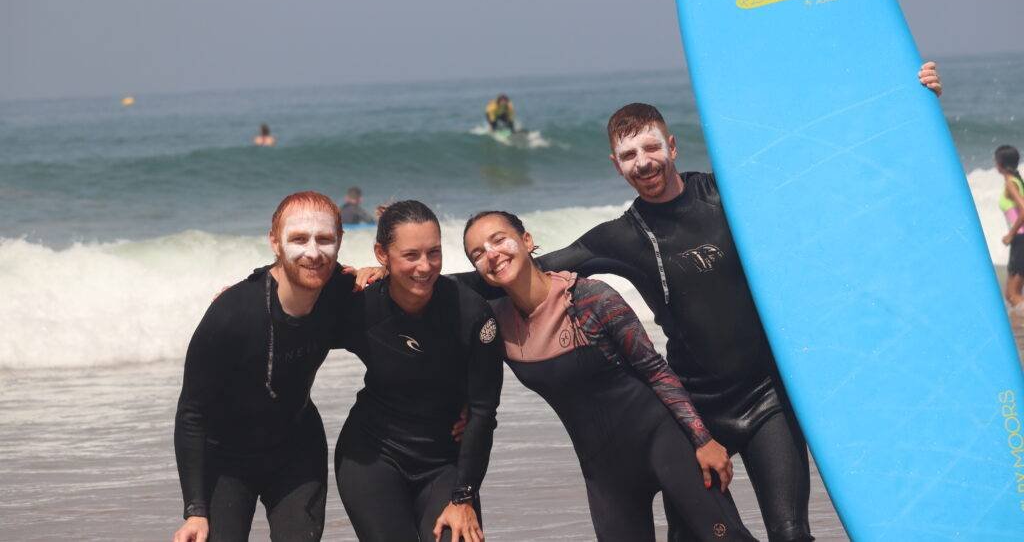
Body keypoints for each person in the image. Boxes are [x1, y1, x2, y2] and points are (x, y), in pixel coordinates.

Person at [451, 63, 943, 542]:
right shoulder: (622, 237)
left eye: (651, 147)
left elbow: (826, 171)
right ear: (616, 166)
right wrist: (420, 280)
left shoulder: (728, 195)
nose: (643, 162)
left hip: (766, 397)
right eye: (628, 155)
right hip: (696, 405)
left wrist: (908, 103)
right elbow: (523, 269)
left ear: (672, 145)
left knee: (791, 533)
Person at [463, 210, 757, 541]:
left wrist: (702, 439)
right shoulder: (497, 327)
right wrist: (460, 408)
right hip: (603, 471)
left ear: (527, 240)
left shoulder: (590, 298)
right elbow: (455, 342)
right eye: (477, 253)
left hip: (664, 441)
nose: (491, 254)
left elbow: (655, 370)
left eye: (499, 240)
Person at [173, 191, 354, 542]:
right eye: (298, 239)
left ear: (339, 241)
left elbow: (406, 327)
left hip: (296, 448)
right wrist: (195, 510)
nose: (313, 252)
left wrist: (458, 405)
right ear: (275, 242)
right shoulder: (232, 313)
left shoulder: (343, 292)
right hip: (226, 458)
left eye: (324, 239)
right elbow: (191, 413)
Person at [334, 200, 503, 542]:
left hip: (444, 461)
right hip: (372, 456)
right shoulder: (360, 305)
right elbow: (293, 305)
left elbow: (483, 411)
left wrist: (464, 496)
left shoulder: (471, 314)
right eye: (411, 255)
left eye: (434, 253)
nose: (425, 267)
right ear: (382, 254)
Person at [996, 144, 1024, 308]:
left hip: (1020, 238)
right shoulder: (1017, 181)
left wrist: (1010, 234)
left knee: (1013, 295)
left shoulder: (1010, 183)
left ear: (999, 163)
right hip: (1019, 240)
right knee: (1010, 294)